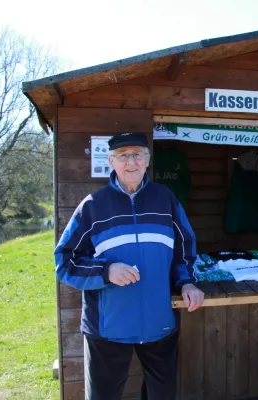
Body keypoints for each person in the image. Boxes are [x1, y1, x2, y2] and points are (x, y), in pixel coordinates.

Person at [55, 132, 204, 400]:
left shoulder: (165, 198)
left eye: (137, 154)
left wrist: (187, 282)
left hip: (160, 322)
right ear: (111, 161)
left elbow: (185, 247)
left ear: (148, 160)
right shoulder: (93, 206)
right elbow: (65, 263)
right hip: (107, 328)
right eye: (123, 156)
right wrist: (105, 271)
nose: (131, 162)